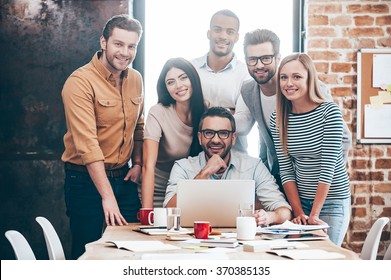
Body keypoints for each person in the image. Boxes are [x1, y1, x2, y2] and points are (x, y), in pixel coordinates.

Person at [61, 15, 144, 259]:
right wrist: (107, 197)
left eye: (132, 46)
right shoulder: (79, 83)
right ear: (103, 42)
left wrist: (137, 163)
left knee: (131, 249)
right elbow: (88, 147)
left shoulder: (136, 78)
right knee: (88, 253)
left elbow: (139, 126)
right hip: (84, 181)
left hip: (124, 177)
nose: (125, 52)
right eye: (118, 44)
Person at [234, 29, 352, 188]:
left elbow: (343, 137)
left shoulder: (306, 87)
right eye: (252, 59)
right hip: (282, 180)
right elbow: (266, 136)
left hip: (318, 183)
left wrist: (332, 174)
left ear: (278, 58)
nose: (259, 65)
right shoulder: (248, 91)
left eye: (266, 58)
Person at [270, 53, 351, 246]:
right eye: (284, 77)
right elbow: (286, 170)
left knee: (325, 257)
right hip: (301, 202)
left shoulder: (329, 112)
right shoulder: (278, 118)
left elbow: (328, 167)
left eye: (296, 77)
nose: (289, 83)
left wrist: (314, 216)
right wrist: (299, 213)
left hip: (332, 201)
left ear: (309, 79)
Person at [164, 107, 291, 226]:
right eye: (209, 133)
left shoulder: (254, 166)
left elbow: (285, 212)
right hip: (193, 238)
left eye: (223, 133)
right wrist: (204, 174)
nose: (216, 140)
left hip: (240, 241)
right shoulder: (182, 167)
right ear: (200, 137)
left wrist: (269, 217)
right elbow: (168, 212)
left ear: (233, 138)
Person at [141, 57, 206, 208]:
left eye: (183, 78)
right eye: (171, 82)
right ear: (166, 88)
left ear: (193, 79)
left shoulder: (206, 110)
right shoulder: (158, 112)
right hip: (155, 190)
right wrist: (147, 210)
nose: (178, 86)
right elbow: (148, 165)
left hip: (188, 188)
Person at [191, 9, 251, 153]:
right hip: (194, 155)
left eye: (230, 32)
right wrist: (229, 112)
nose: (223, 36)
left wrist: (203, 112)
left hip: (235, 158)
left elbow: (244, 124)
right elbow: (180, 117)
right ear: (209, 33)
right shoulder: (191, 69)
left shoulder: (246, 73)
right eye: (217, 30)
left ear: (236, 37)